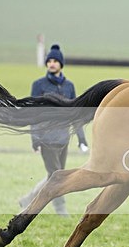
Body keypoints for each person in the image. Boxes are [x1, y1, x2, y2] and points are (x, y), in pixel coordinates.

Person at [18, 44, 88, 216]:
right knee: (58, 177)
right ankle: (60, 209)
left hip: (63, 139)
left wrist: (81, 139)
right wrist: (35, 139)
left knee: (54, 176)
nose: (52, 63)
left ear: (61, 64)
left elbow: (75, 115)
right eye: (49, 60)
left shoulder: (69, 87)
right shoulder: (39, 85)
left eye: (55, 61)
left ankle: (28, 199)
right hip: (46, 139)